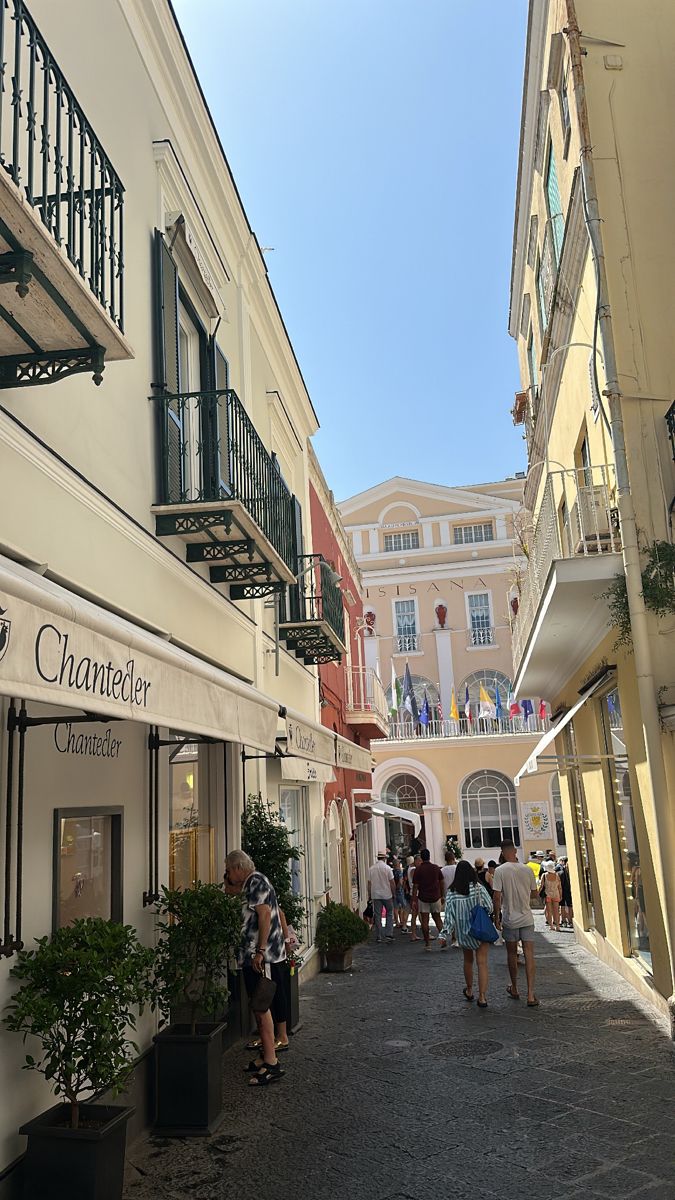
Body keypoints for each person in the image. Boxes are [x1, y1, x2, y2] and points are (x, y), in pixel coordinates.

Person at [225, 849, 286, 1086]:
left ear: (238, 868)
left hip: (263, 957)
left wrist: (260, 951)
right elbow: (230, 890)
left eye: (229, 870)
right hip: (257, 956)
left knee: (262, 1007)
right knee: (259, 1007)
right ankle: (266, 1056)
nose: (229, 874)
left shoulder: (256, 881)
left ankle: (272, 1063)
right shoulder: (253, 882)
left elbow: (264, 915)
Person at [492, 840, 540, 1007]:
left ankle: (514, 988)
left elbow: (497, 897)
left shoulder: (499, 871)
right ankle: (531, 994)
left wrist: (496, 917)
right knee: (529, 954)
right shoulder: (527, 869)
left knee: (512, 954)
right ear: (515, 851)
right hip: (527, 918)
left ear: (503, 853)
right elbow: (535, 894)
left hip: (510, 919)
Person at [443, 859, 494, 1007]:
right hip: (480, 929)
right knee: (482, 962)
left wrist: (444, 933)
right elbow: (489, 907)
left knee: (468, 961)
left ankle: (470, 990)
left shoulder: (452, 892)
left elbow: (449, 916)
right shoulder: (478, 887)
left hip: (464, 933)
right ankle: (482, 997)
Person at [412, 848, 445, 951]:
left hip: (423, 897)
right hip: (435, 896)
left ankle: (427, 944)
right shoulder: (435, 868)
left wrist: (414, 899)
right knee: (438, 919)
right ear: (429, 856)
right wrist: (442, 894)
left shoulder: (418, 869)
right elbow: (442, 881)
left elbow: (415, 886)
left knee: (425, 921)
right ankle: (443, 941)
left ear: (421, 858)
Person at [368, 852, 395, 943]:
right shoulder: (387, 868)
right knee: (389, 913)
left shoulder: (371, 869)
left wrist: (369, 894)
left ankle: (378, 935)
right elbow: (392, 882)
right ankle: (389, 934)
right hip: (387, 894)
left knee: (378, 915)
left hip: (375, 894)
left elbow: (369, 883)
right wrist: (393, 893)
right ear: (384, 858)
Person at [438, 849, 458, 949]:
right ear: (453, 858)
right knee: (459, 916)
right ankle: (457, 938)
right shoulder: (457, 868)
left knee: (450, 918)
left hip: (447, 896)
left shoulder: (442, 870)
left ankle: (452, 937)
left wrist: (442, 896)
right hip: (458, 895)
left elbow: (441, 884)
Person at [542, 859, 562, 931]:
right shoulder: (557, 875)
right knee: (556, 911)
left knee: (549, 911)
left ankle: (551, 926)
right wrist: (561, 895)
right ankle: (558, 926)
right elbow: (559, 887)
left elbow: (541, 886)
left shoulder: (544, 875)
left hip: (548, 895)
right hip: (556, 894)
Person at [407, 853, 422, 940]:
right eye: (419, 861)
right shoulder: (413, 869)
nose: (420, 862)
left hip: (414, 893)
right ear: (415, 861)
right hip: (415, 893)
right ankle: (414, 934)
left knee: (416, 914)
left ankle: (415, 933)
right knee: (416, 914)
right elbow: (415, 882)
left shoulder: (411, 868)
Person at [391, 856, 408, 931]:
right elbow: (401, 881)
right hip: (399, 891)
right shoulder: (399, 872)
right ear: (398, 864)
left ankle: (397, 922)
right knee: (405, 907)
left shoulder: (392, 872)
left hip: (393, 892)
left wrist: (393, 890)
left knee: (395, 908)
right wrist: (398, 887)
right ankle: (403, 921)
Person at [559, 857, 574, 928]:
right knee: (569, 906)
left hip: (562, 890)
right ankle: (570, 921)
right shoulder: (571, 872)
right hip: (569, 890)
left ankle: (564, 921)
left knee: (562, 906)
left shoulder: (560, 872)